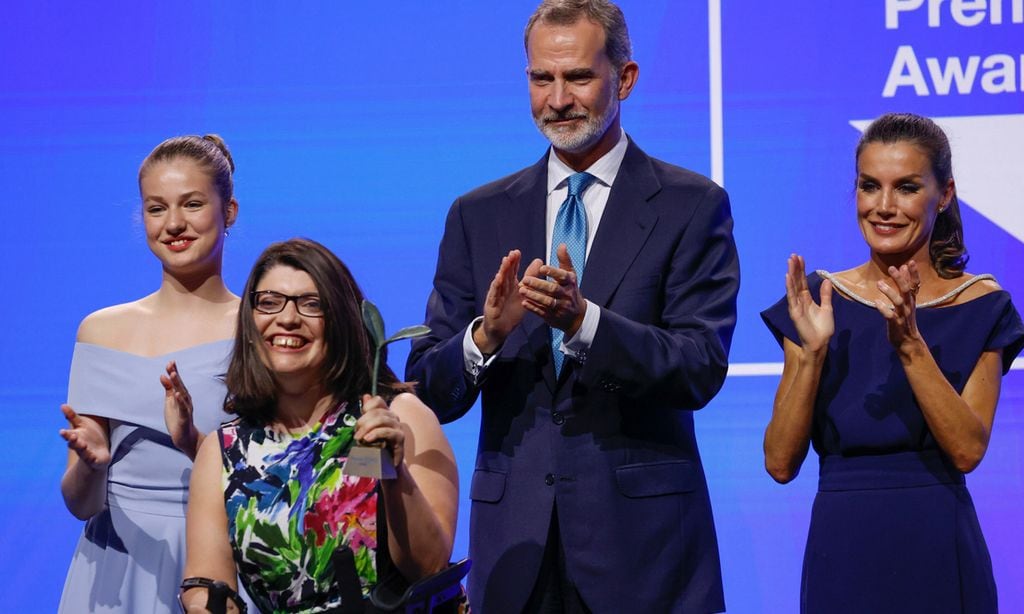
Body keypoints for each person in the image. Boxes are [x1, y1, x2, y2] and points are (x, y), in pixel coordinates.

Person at [406, 1, 739, 611]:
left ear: (626, 79)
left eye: (579, 77)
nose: (557, 99)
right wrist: (485, 338)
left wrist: (584, 323)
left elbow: (699, 366)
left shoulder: (691, 205)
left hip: (644, 555)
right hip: (516, 553)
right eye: (541, 78)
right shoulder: (476, 214)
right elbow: (429, 385)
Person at [761, 112, 1024, 613]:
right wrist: (813, 354)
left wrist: (909, 343)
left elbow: (968, 450)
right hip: (842, 550)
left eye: (905, 188)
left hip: (939, 547)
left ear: (944, 194)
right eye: (869, 186)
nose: (883, 207)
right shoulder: (819, 300)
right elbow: (779, 464)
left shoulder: (984, 306)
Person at [181, 238, 461, 613]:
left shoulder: (399, 416)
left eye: (311, 304)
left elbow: (428, 567)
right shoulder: (222, 451)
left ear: (343, 322)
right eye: (269, 301)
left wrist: (395, 475)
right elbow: (204, 584)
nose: (288, 318)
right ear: (250, 322)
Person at [58, 135, 240, 612]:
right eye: (156, 208)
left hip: (225, 561)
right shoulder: (102, 330)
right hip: (115, 572)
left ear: (230, 212)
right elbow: (81, 504)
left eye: (193, 204)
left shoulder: (263, 330)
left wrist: (195, 442)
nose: (174, 224)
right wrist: (93, 467)